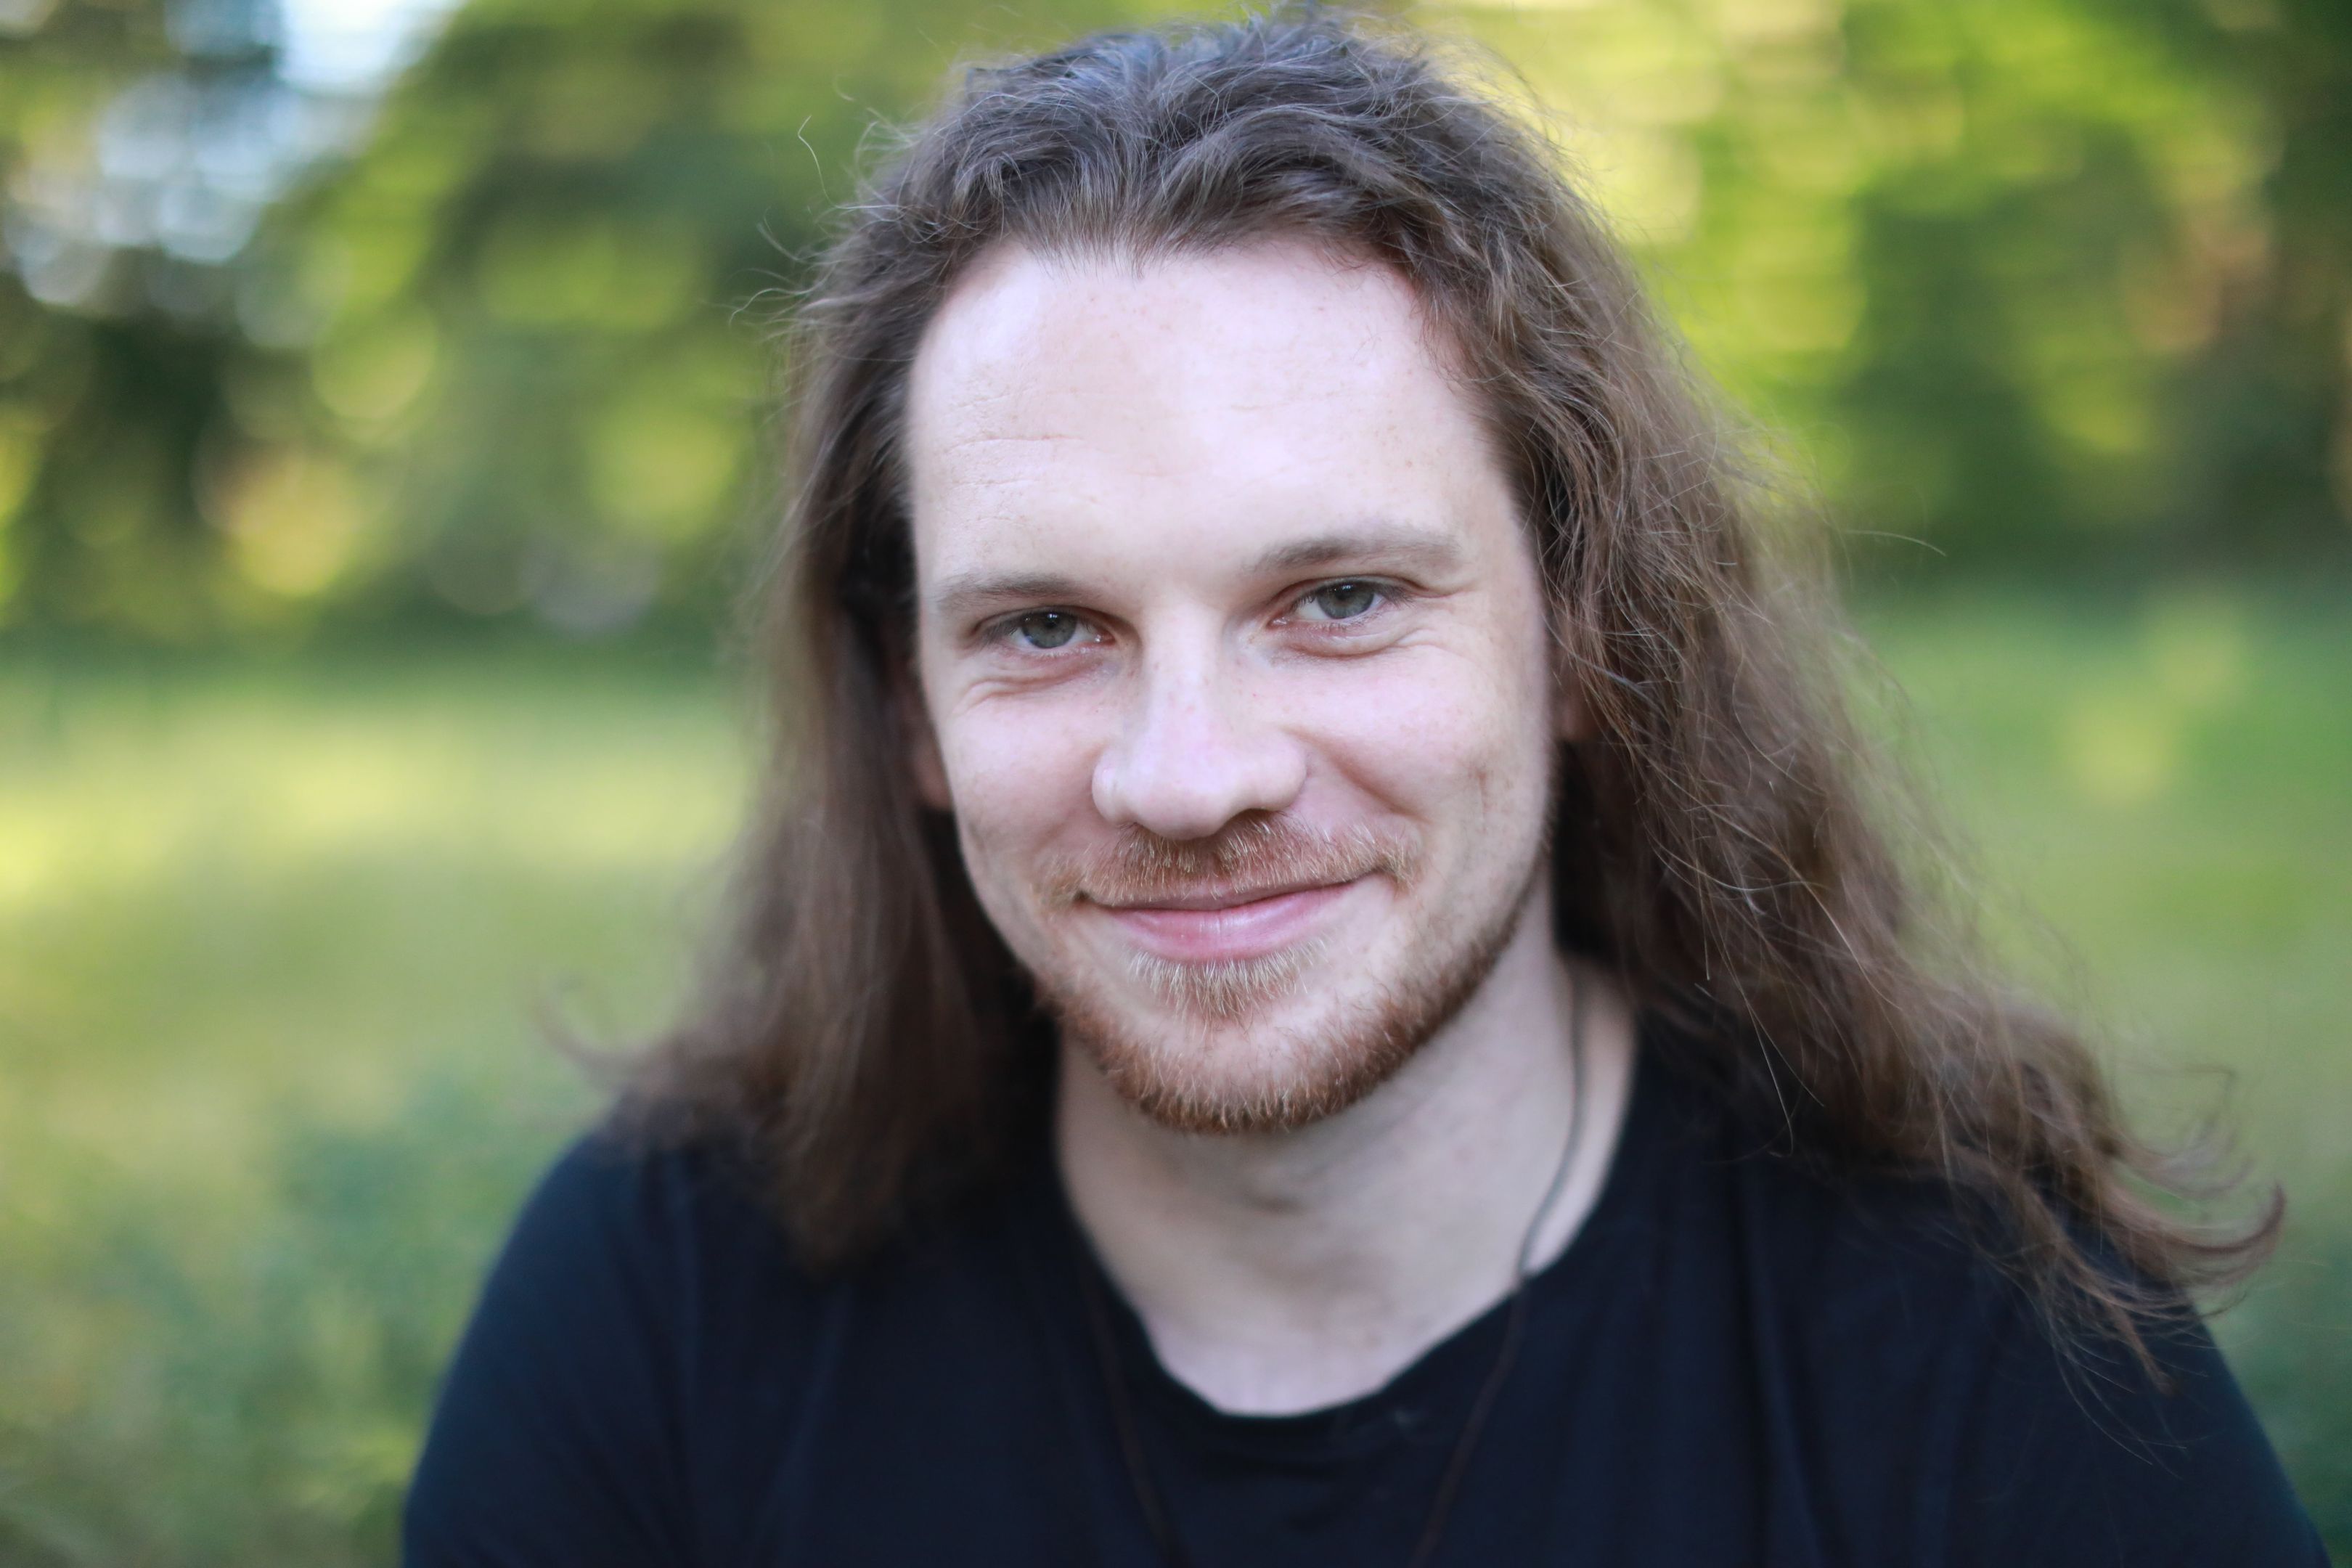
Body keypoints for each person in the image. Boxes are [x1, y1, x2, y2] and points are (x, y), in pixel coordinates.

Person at [402, 10, 2324, 1564]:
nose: (1190, 776)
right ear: (910, 706)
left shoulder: (1971, 1329)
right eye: (1047, 628)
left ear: (1588, 633)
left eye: (1337, 601)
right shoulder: (668, 1300)